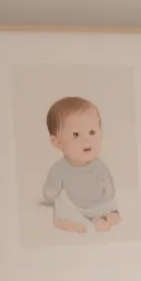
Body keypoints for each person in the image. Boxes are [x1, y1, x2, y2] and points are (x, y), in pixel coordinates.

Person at [40, 96, 120, 233]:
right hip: (75, 205)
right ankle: (68, 222)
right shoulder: (60, 168)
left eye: (92, 132)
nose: (86, 140)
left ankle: (106, 216)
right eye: (76, 135)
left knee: (108, 204)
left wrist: (108, 195)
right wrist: (51, 192)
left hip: (98, 203)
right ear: (57, 142)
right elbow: (50, 192)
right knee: (62, 202)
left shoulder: (99, 166)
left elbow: (109, 188)